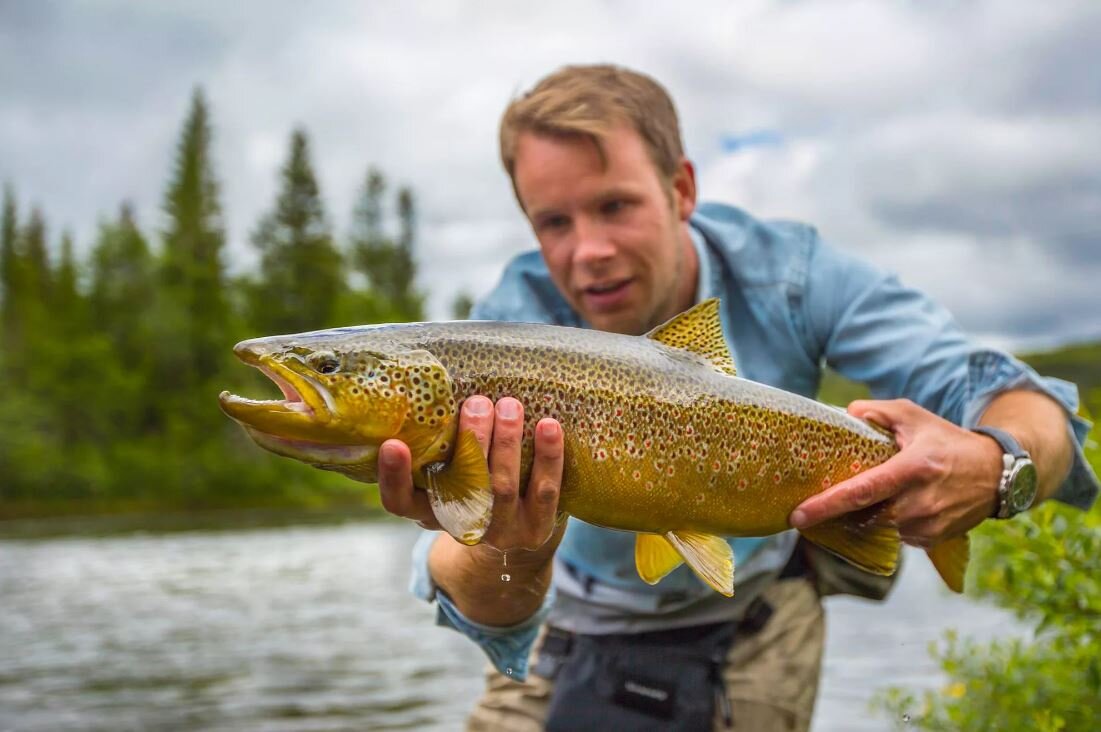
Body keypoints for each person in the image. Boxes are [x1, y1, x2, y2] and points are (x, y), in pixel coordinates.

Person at [377, 65, 1099, 731]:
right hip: (561, 621)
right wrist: (509, 549)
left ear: (681, 188)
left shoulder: (792, 275)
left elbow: (1018, 402)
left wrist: (995, 462)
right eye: (553, 223)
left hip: (756, 612)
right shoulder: (495, 332)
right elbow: (472, 591)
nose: (586, 250)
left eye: (614, 206)